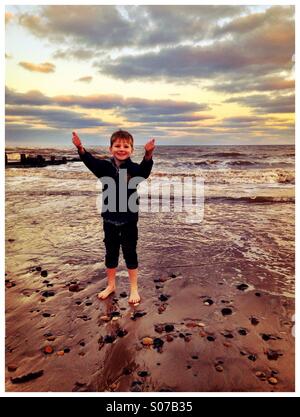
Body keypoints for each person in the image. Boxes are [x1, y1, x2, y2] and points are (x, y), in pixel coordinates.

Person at [72, 130, 155, 304]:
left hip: (129, 220)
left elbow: (145, 171)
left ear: (131, 150)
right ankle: (111, 285)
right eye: (117, 145)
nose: (121, 149)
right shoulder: (104, 167)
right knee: (111, 253)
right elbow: (90, 161)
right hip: (109, 218)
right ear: (111, 149)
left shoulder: (133, 169)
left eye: (126, 146)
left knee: (130, 252)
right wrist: (80, 148)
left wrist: (148, 154)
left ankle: (134, 288)